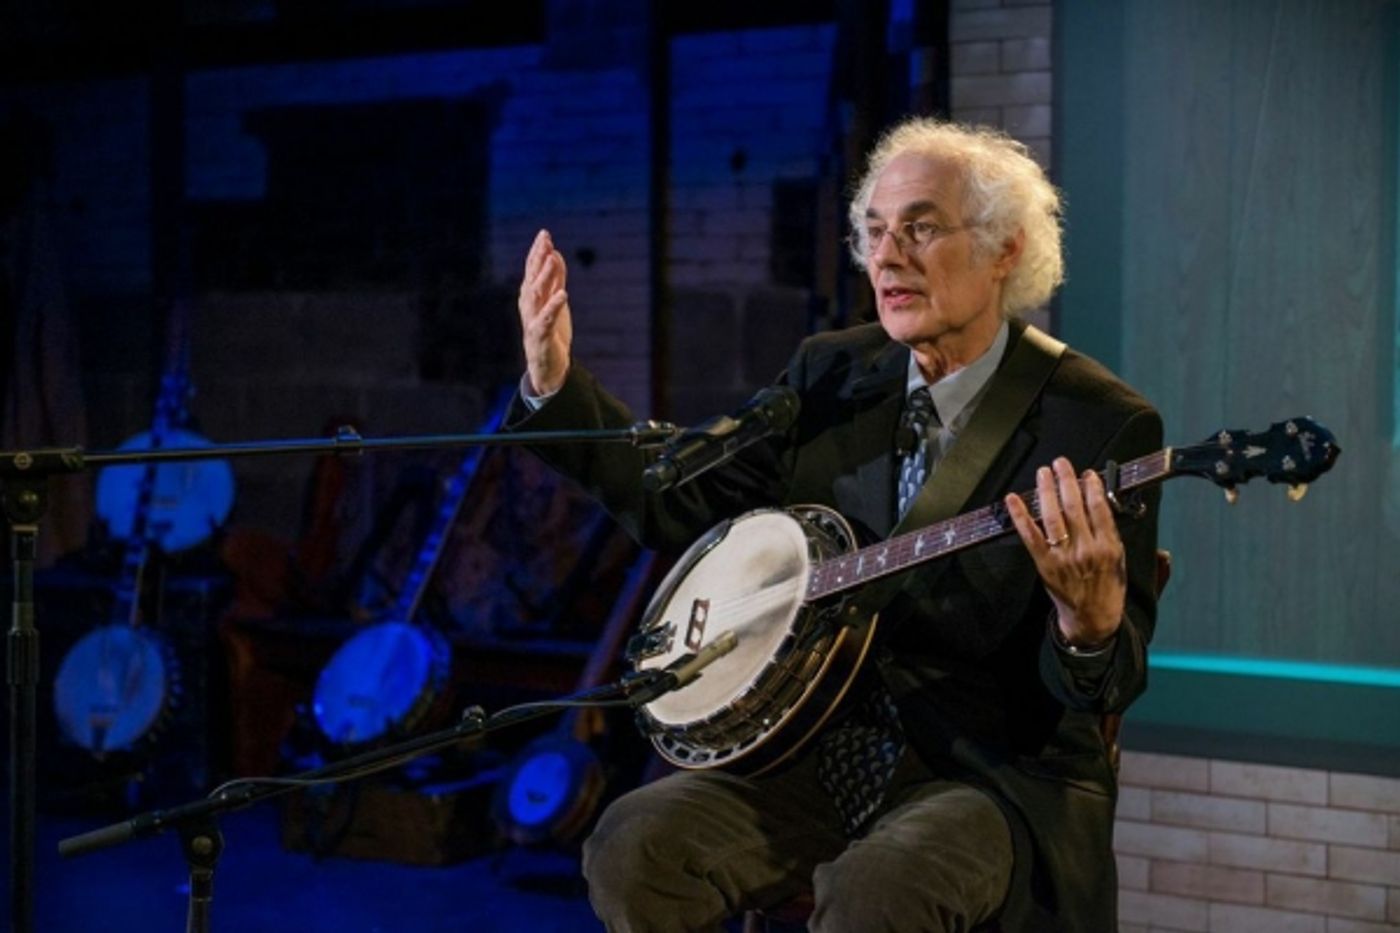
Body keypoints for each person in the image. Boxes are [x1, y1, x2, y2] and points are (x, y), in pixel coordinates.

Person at [510, 117, 1162, 932]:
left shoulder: (1097, 422)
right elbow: (673, 498)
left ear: (1005, 249)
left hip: (986, 775)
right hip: (815, 754)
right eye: (875, 231)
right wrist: (556, 387)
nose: (887, 256)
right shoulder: (832, 372)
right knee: (635, 841)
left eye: (920, 228)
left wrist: (1089, 622)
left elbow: (1107, 680)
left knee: (875, 892)